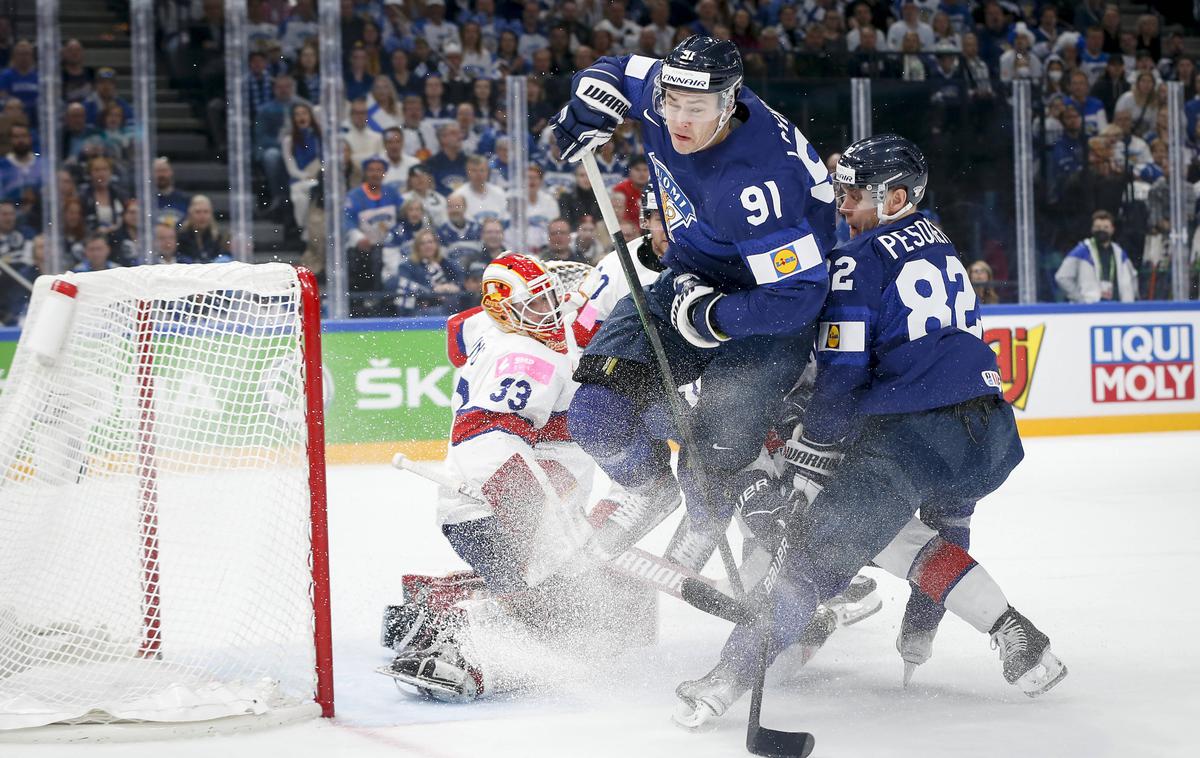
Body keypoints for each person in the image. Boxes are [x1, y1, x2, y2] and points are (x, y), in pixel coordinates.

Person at [673, 134, 1066, 729]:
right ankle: (1022, 643)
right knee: (908, 538)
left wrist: (812, 458)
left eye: (855, 195)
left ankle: (726, 680)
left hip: (915, 431)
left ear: (898, 196)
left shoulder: (858, 259)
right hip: (986, 431)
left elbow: (842, 371)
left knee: (807, 557)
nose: (844, 208)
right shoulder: (942, 244)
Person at [551, 35, 835, 567]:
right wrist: (589, 100)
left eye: (697, 110)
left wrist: (714, 316)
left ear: (729, 104)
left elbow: (799, 295)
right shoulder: (670, 90)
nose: (678, 120)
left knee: (716, 449)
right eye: (671, 104)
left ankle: (733, 539)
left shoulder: (756, 187)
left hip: (765, 309)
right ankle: (649, 489)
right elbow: (612, 68)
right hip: (690, 274)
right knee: (595, 413)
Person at [377, 252, 656, 701]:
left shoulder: (492, 326)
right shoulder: (528, 358)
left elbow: (457, 331)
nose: (553, 311)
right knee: (571, 623)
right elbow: (486, 442)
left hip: (505, 505)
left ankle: (436, 602)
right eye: (539, 305)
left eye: (554, 300)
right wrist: (537, 522)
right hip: (487, 513)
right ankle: (456, 639)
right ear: (506, 309)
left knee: (583, 607)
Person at [1055, 210, 1137, 302]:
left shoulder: (1120, 253)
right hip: (1091, 309)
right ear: (1092, 229)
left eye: (1106, 227)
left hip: (1117, 308)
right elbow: (1061, 277)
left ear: (1112, 229)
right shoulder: (1082, 250)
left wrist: (1129, 300)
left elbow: (1133, 278)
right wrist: (1080, 299)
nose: (1101, 230)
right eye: (1098, 227)